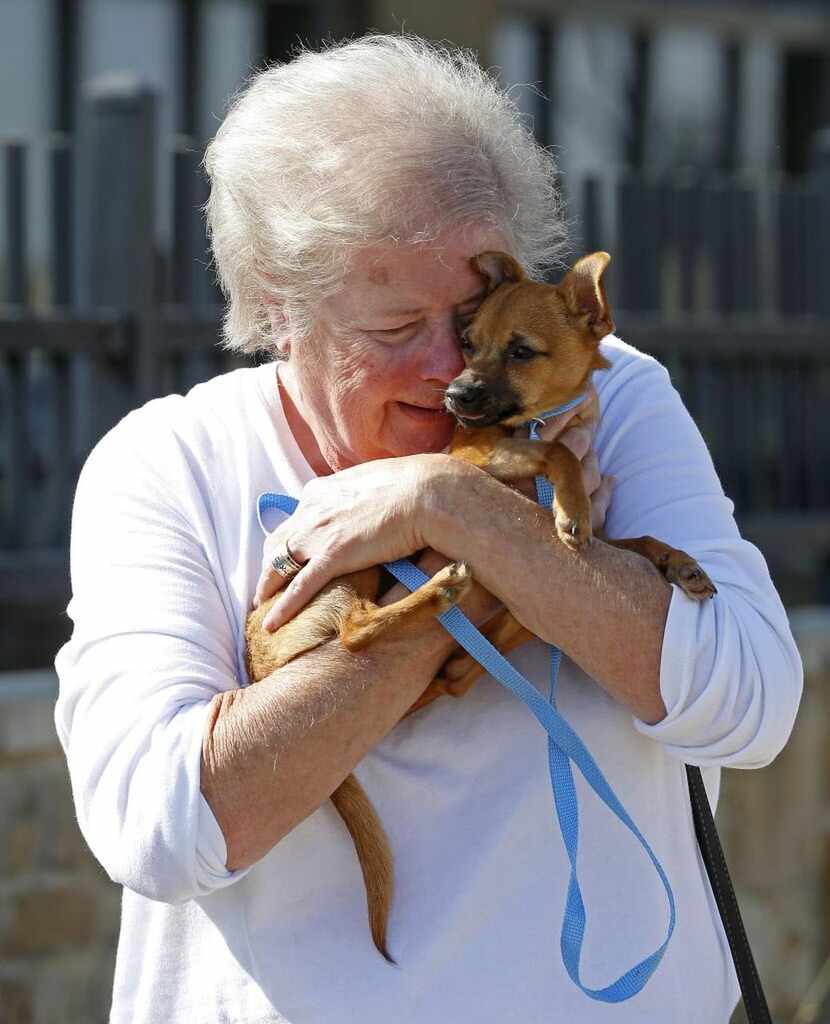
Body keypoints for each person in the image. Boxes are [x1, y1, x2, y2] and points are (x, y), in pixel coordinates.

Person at [55, 35, 802, 1023]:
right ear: (282, 315)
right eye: (393, 328)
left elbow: (749, 706)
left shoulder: (602, 395)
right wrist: (447, 588)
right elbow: (159, 829)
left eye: (468, 313)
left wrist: (457, 510)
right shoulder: (172, 463)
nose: (448, 369)